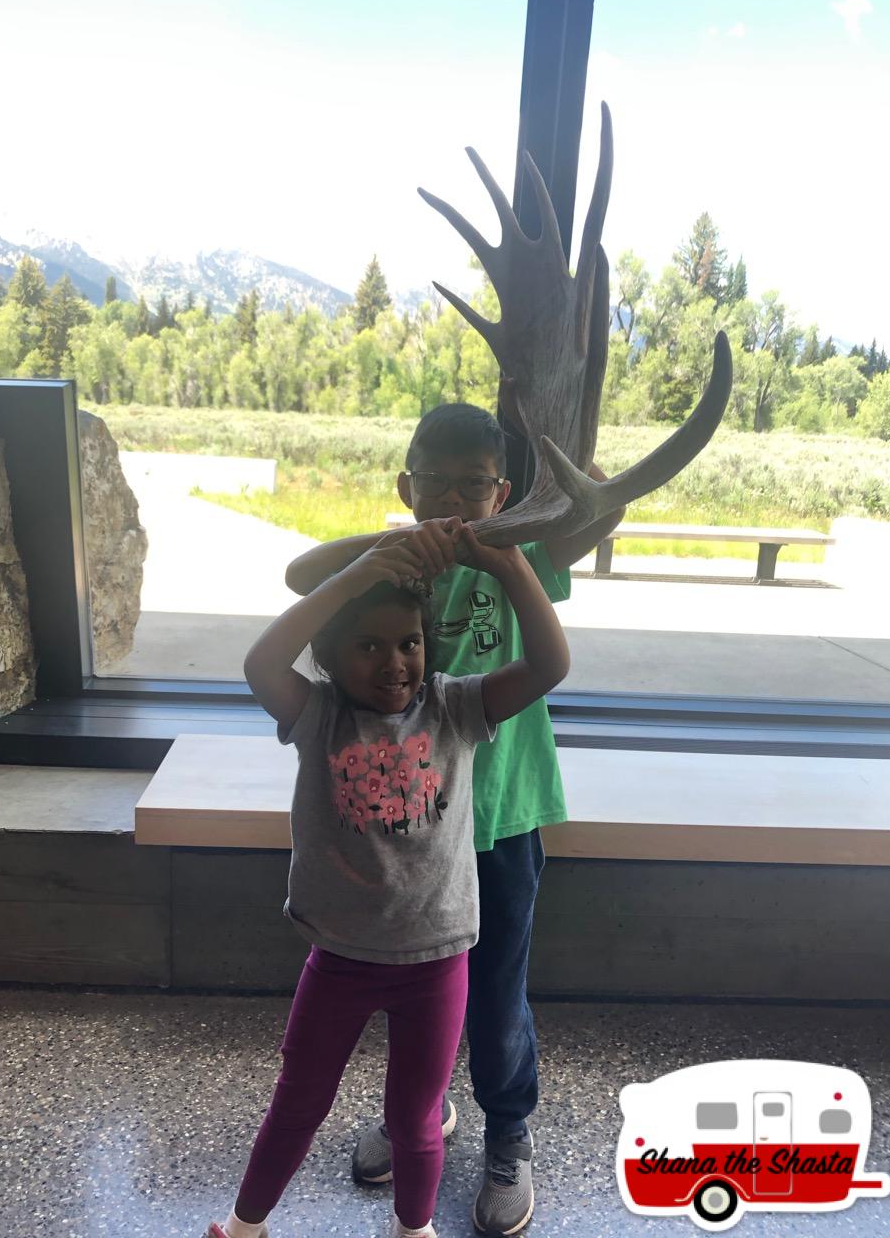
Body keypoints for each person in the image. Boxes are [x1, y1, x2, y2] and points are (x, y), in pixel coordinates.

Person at [284, 403, 624, 1235]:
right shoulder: (392, 570)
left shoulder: (526, 556)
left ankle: (508, 1131)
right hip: (408, 825)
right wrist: (390, 547)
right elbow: (301, 575)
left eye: (475, 483)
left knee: (496, 990)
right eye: (436, 481)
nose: (455, 497)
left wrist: (503, 546)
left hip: (499, 819)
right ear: (406, 485)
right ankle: (421, 1115)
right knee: (408, 988)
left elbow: (597, 522)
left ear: (502, 489)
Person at [209, 511, 570, 1238]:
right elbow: (259, 665)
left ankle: (414, 1230)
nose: (392, 663)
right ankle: (245, 1226)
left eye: (407, 644)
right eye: (367, 646)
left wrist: (507, 563)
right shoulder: (319, 716)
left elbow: (550, 665)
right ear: (333, 659)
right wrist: (359, 572)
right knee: (299, 1100)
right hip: (339, 957)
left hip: (435, 963)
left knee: (415, 1119)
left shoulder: (457, 707)